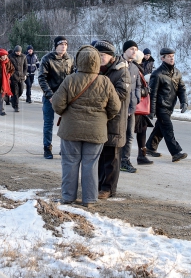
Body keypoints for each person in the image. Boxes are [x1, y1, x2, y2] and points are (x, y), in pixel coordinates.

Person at [53, 45, 121, 208]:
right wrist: (103, 118)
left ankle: (68, 197)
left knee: (70, 163)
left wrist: (68, 112)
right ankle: (89, 199)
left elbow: (57, 104)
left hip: (71, 130)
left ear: (78, 61)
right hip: (96, 131)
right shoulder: (105, 81)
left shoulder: (70, 80)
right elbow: (115, 107)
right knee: (91, 164)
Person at [92, 40, 130, 199]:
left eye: (103, 55)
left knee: (112, 156)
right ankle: (100, 185)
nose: (100, 58)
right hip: (100, 119)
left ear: (110, 56)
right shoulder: (100, 70)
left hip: (115, 119)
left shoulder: (121, 71)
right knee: (101, 156)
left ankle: (108, 189)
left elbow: (121, 94)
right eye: (98, 55)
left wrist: (100, 95)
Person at [146, 48, 188, 162]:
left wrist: (184, 102)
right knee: (168, 129)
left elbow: (181, 89)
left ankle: (150, 147)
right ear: (162, 58)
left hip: (170, 106)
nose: (171, 58)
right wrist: (151, 111)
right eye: (168, 56)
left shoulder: (177, 73)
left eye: (172, 56)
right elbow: (152, 94)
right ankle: (175, 152)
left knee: (160, 128)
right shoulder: (157, 74)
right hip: (161, 107)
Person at [38, 36, 75, 159]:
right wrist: (50, 95)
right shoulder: (47, 59)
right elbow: (42, 79)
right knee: (48, 123)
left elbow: (73, 77)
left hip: (66, 97)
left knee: (66, 123)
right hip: (51, 96)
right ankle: (47, 148)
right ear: (55, 46)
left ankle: (64, 148)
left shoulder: (70, 59)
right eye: (61, 44)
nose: (63, 46)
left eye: (65, 44)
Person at [120, 40, 145, 173]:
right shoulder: (117, 65)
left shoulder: (135, 67)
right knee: (119, 135)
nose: (134, 51)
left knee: (130, 135)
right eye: (131, 49)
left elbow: (138, 85)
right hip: (119, 107)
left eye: (136, 49)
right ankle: (116, 159)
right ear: (124, 50)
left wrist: (136, 100)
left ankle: (125, 160)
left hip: (131, 108)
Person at [0, 49, 14, 116]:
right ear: (0, 56)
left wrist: (9, 75)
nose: (4, 57)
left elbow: (12, 69)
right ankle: (0, 110)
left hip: (5, 81)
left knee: (1, 96)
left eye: (5, 55)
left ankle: (0, 110)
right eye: (2, 56)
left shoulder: (8, 61)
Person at [9, 45, 27, 112]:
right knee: (15, 92)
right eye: (17, 52)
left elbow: (25, 67)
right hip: (13, 77)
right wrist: (11, 75)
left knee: (21, 91)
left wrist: (24, 74)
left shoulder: (24, 57)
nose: (18, 53)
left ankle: (13, 99)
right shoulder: (10, 56)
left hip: (21, 76)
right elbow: (8, 67)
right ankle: (16, 106)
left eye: (19, 52)